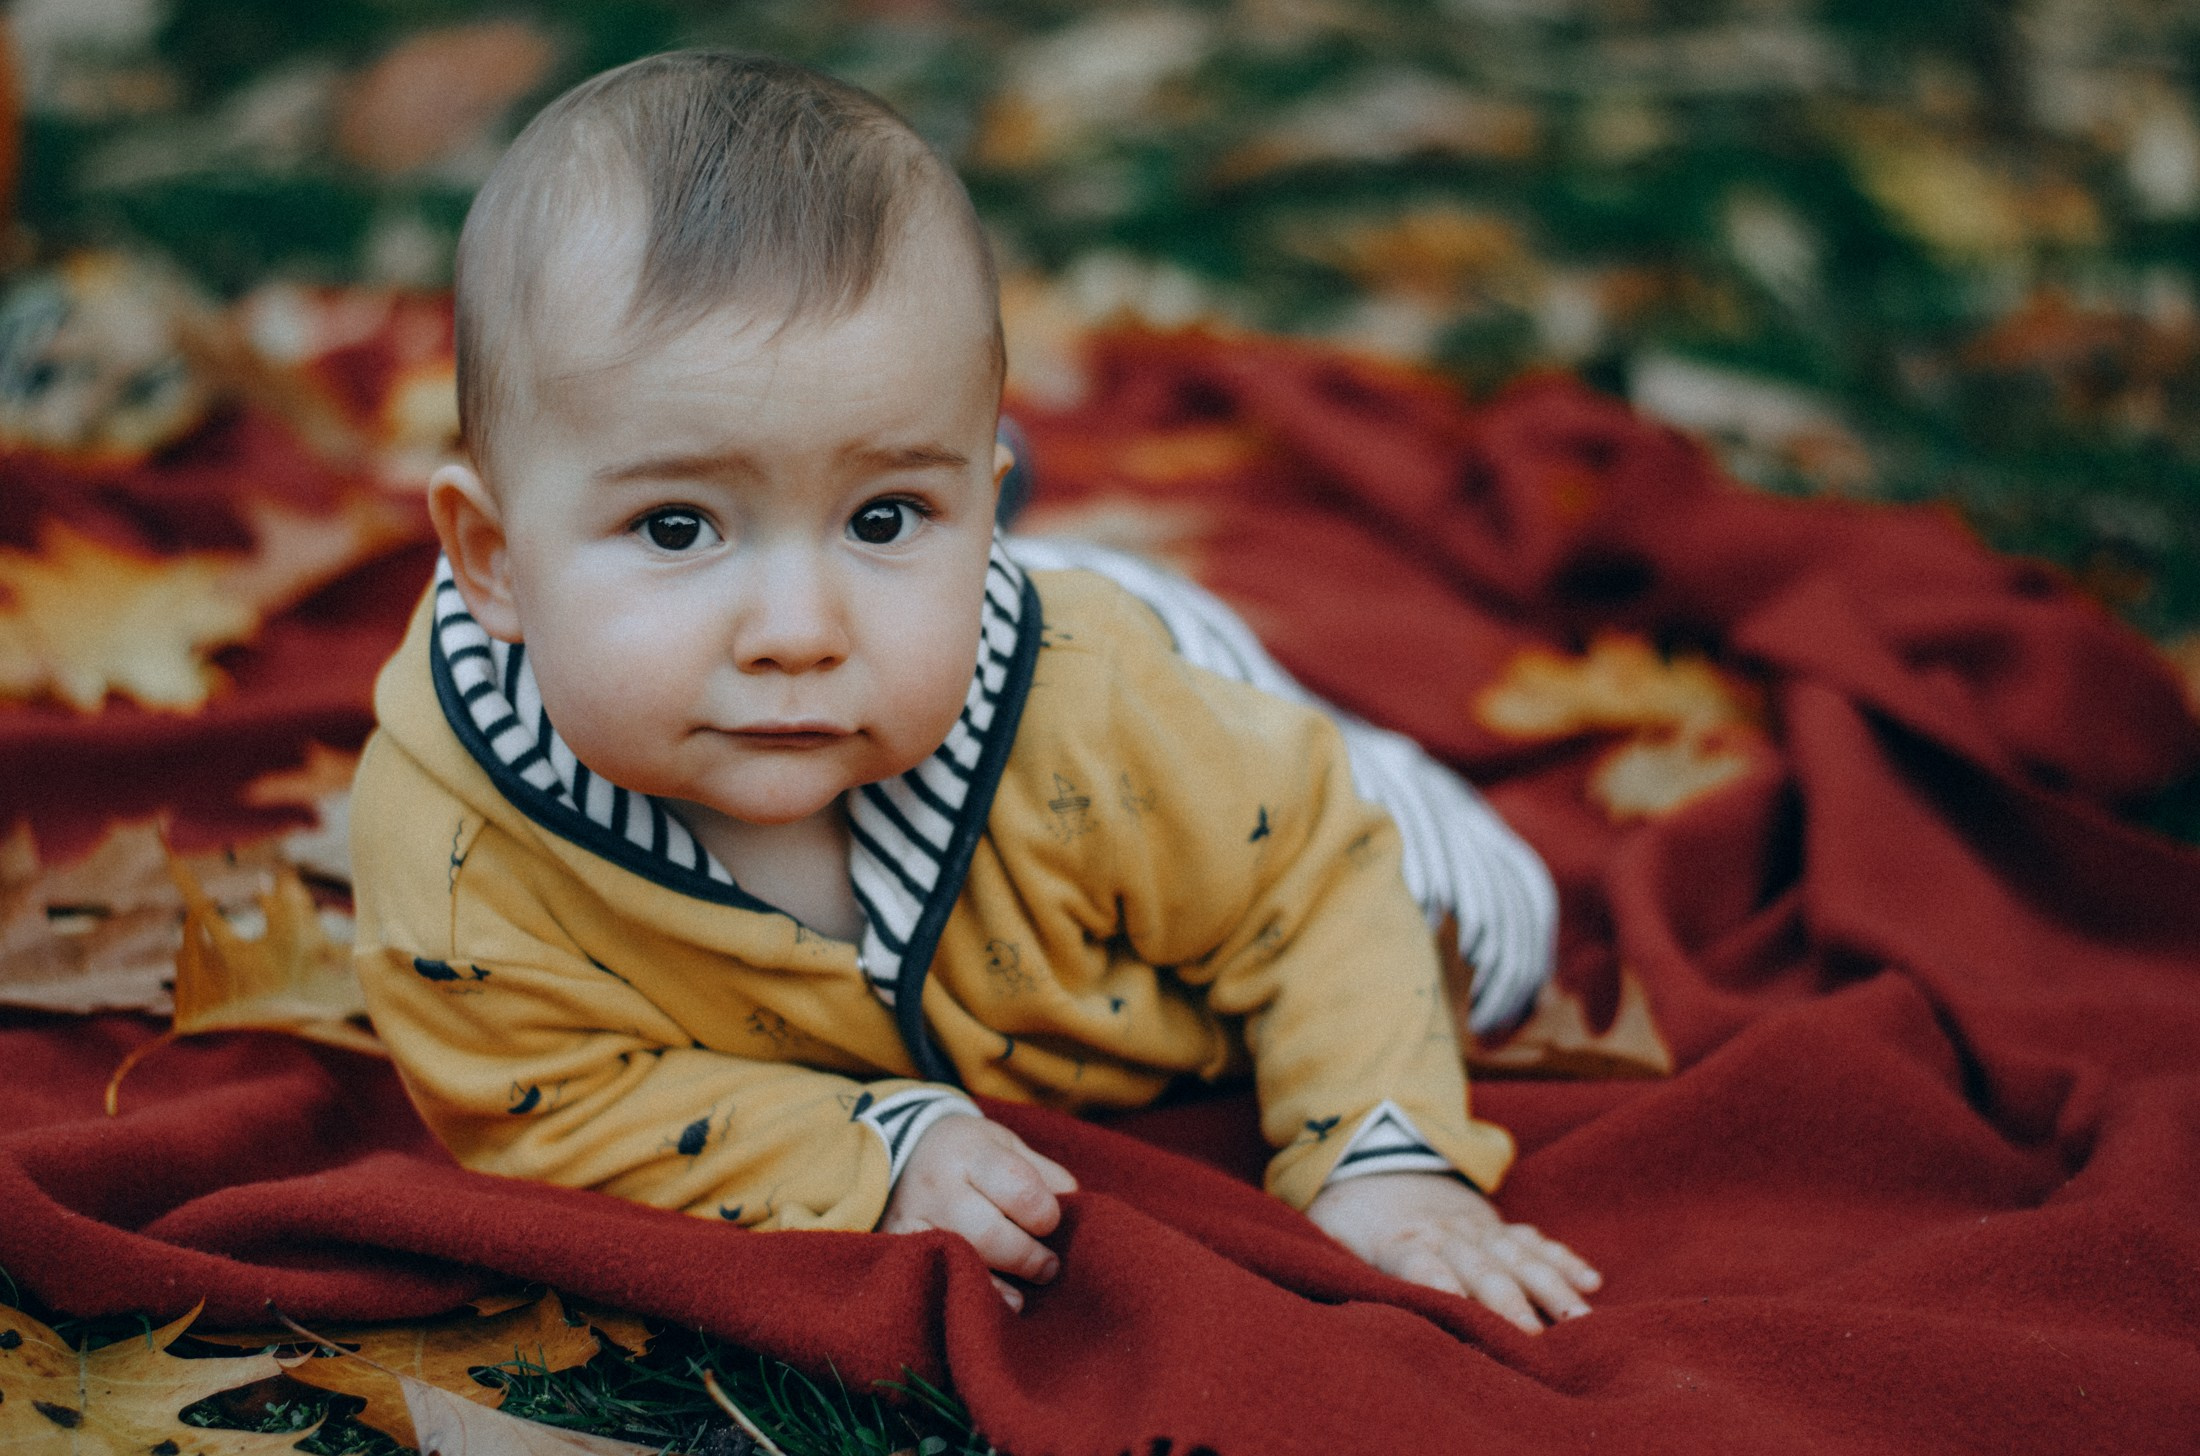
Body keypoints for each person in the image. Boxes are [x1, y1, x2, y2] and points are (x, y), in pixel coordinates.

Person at [350, 50, 1599, 1332]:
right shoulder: (459, 861)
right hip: (973, 642)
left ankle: (1044, 592)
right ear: (494, 564)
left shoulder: (1097, 724)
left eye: (886, 511)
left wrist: (1389, 1167)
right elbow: (548, 1096)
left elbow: (1323, 884)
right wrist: (869, 1145)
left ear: (981, 506)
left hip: (1140, 686)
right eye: (677, 528)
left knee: (1485, 928)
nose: (796, 632)